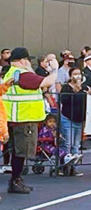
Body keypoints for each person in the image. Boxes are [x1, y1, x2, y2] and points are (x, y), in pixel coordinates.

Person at [2, 48, 59, 193]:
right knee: (21, 153)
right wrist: (55, 70)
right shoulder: (23, 75)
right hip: (24, 119)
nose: (29, 63)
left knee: (17, 152)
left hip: (15, 118)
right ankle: (15, 181)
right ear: (22, 60)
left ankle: (16, 179)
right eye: (28, 60)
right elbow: (47, 82)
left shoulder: (12, 73)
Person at [59, 66, 91, 176]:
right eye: (75, 74)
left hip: (79, 119)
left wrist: (90, 94)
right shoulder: (66, 87)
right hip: (68, 117)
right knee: (67, 143)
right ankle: (63, 166)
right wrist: (76, 90)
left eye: (79, 73)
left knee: (76, 145)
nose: (77, 76)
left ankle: (74, 167)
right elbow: (64, 100)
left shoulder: (84, 87)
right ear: (70, 76)